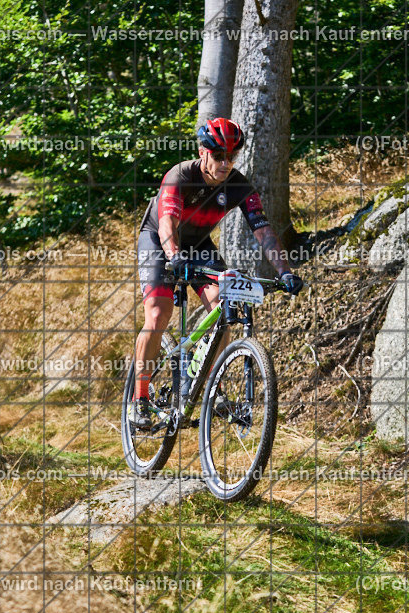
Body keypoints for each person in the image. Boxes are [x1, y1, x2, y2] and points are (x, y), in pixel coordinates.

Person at [129, 117, 303, 430]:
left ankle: (213, 388)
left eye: (231, 157)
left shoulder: (239, 185)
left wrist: (285, 271)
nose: (225, 164)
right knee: (158, 313)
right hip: (159, 240)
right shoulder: (180, 175)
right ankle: (139, 398)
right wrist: (173, 256)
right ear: (203, 151)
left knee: (226, 304)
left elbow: (262, 229)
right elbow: (167, 221)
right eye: (219, 156)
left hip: (198, 244)